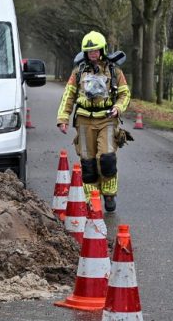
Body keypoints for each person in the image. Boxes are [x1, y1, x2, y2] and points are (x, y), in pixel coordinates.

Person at [56, 30, 131, 212]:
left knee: (106, 158)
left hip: (107, 119)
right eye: (90, 52)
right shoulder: (78, 71)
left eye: (96, 50)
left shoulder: (114, 70)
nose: (93, 54)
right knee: (88, 162)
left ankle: (109, 194)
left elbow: (125, 94)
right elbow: (68, 95)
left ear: (102, 50)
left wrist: (118, 108)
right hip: (83, 120)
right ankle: (92, 199)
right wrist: (62, 118)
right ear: (85, 53)